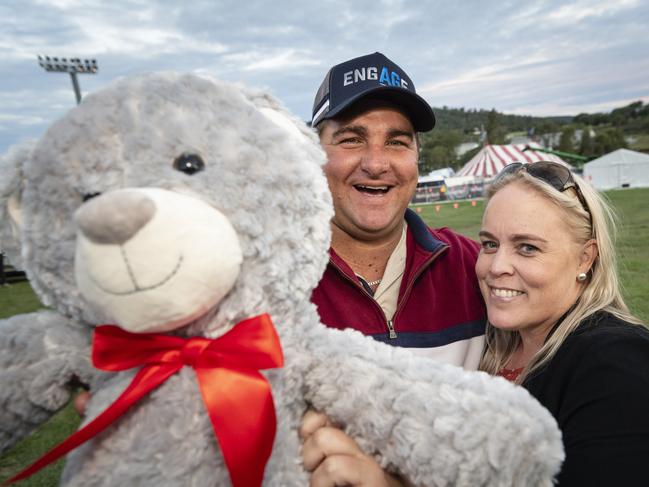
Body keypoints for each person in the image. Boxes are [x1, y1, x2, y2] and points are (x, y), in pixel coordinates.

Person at [303, 160, 649, 486]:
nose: (497, 266)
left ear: (585, 257)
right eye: (489, 244)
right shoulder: (496, 348)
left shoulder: (614, 359)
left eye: (527, 248)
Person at [311, 52, 485, 365]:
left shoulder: (477, 269)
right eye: (351, 139)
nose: (376, 164)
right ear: (312, 154)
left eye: (397, 142)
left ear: (417, 156)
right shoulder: (270, 280)